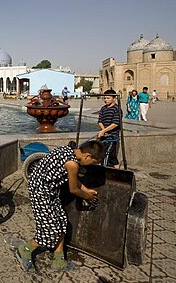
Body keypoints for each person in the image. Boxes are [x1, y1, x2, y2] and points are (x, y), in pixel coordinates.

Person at [16, 140, 104, 272]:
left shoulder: (69, 151)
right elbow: (73, 189)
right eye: (93, 162)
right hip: (40, 192)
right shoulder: (73, 164)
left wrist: (86, 189)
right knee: (49, 231)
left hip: (48, 190)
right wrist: (88, 197)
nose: (91, 165)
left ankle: (58, 259)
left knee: (61, 220)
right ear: (87, 156)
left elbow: (73, 178)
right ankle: (25, 249)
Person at [98, 89, 121, 168]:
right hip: (104, 136)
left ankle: (104, 171)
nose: (106, 100)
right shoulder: (103, 108)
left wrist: (104, 131)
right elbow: (100, 121)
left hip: (112, 137)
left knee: (107, 154)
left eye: (108, 98)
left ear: (114, 98)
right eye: (104, 98)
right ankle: (117, 169)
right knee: (112, 156)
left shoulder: (117, 109)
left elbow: (115, 124)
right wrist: (103, 130)